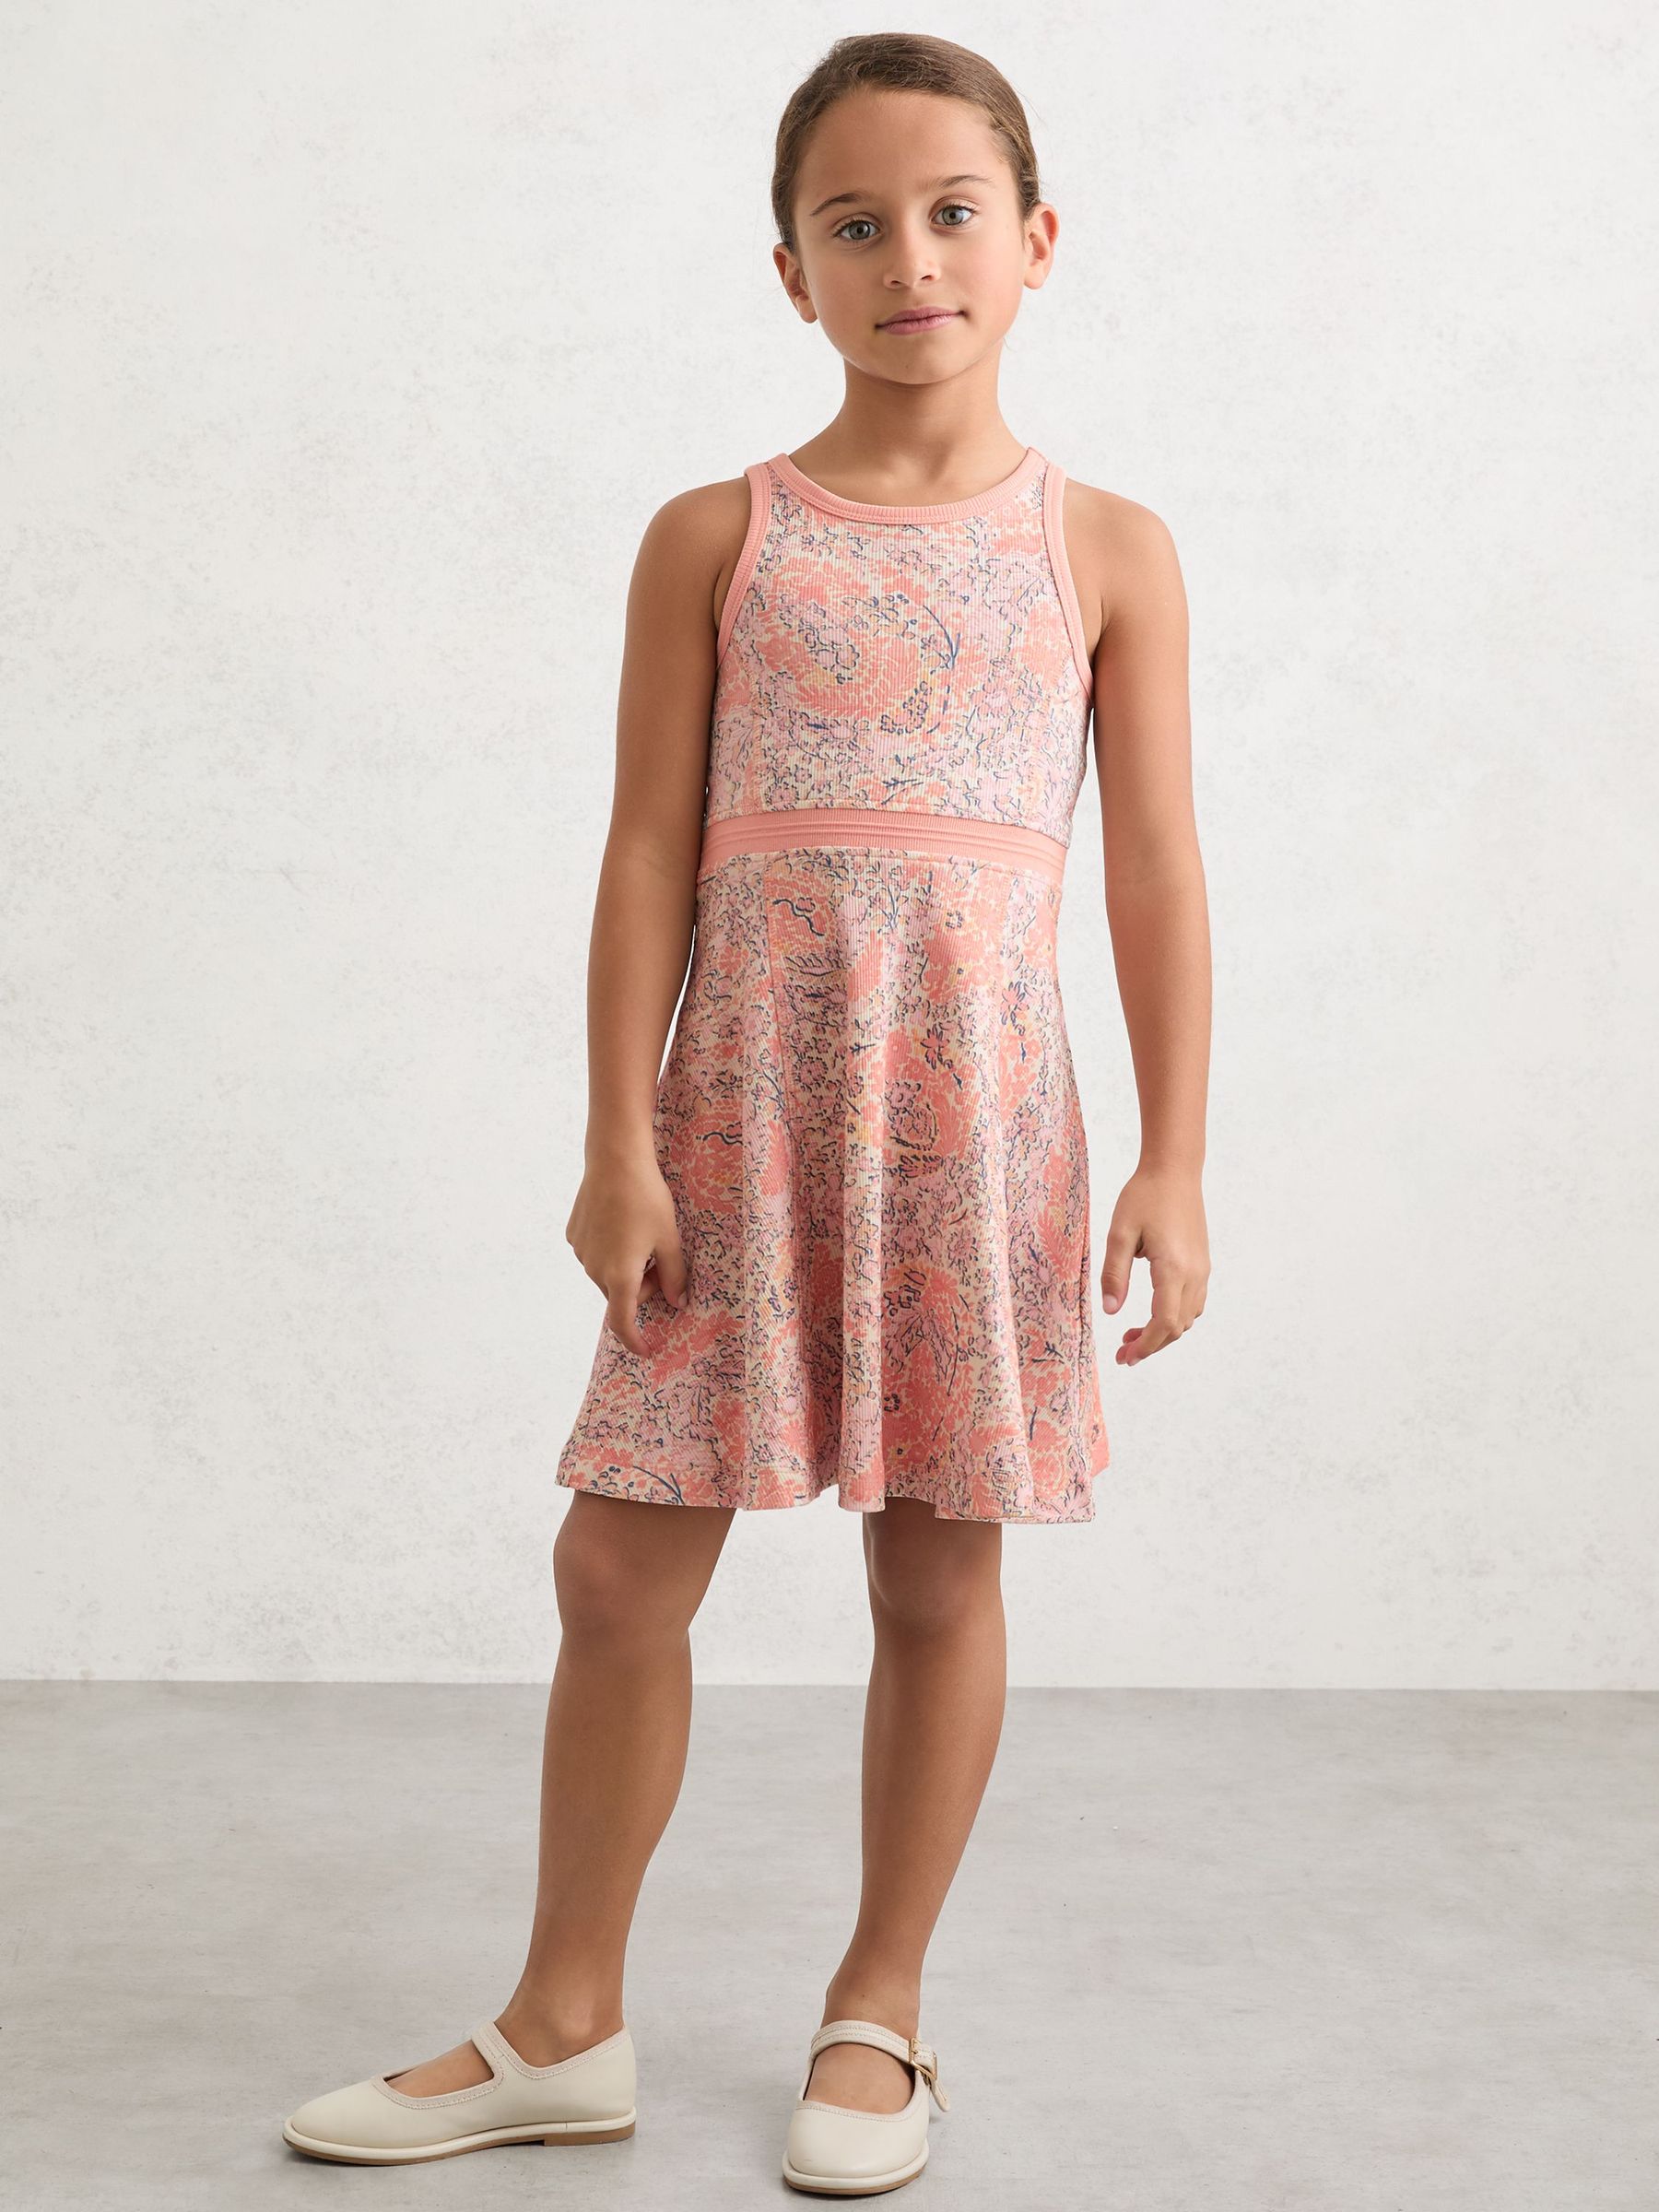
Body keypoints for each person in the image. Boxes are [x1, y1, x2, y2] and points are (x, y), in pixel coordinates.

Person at [281, 29, 1211, 2193]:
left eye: (953, 213)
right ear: (792, 272)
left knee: (936, 1573)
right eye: (855, 224)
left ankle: (881, 2011)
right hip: (734, 1121)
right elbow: (642, 852)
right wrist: (616, 1139)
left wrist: (1176, 1153)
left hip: (976, 1126)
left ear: (1038, 239)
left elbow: (1158, 868)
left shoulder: (1110, 550)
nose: (912, 258)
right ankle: (562, 2022)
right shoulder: (717, 537)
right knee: (617, 1564)